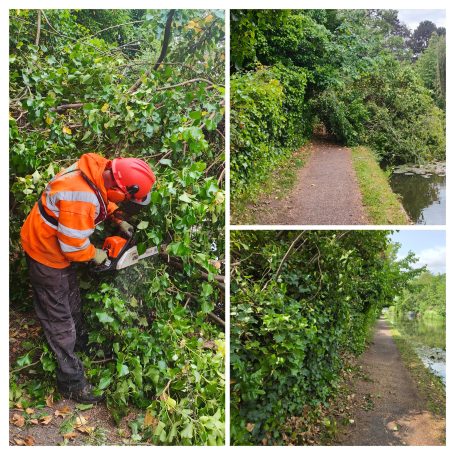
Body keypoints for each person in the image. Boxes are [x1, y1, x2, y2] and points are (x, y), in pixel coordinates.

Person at [20, 153, 156, 403]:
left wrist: (117, 217)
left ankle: (80, 345)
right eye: (127, 199)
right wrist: (98, 255)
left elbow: (103, 196)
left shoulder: (99, 168)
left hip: (57, 248)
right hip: (46, 253)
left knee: (72, 302)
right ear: (118, 185)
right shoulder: (80, 197)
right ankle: (70, 382)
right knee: (59, 316)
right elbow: (73, 247)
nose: (127, 202)